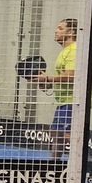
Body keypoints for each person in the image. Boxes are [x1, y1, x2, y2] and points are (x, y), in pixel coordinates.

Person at [35, 17, 78, 161]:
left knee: (67, 135)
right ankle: (54, 165)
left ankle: (79, 164)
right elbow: (61, 78)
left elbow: (71, 76)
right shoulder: (64, 51)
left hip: (73, 100)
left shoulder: (74, 50)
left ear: (71, 32)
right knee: (56, 133)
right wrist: (45, 83)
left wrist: (48, 78)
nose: (56, 31)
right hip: (63, 100)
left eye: (60, 28)